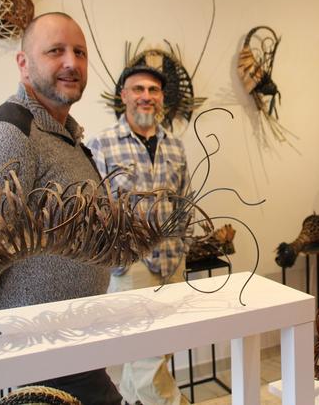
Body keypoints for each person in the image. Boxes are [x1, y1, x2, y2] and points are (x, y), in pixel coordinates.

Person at [0, 12, 122, 403]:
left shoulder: (66, 138)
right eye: (55, 51)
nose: (71, 62)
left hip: (74, 345)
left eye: (79, 52)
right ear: (23, 63)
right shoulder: (8, 135)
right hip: (37, 356)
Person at [88, 62, 191, 405]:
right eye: (138, 89)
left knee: (161, 349)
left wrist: (183, 248)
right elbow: (93, 210)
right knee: (147, 355)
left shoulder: (175, 146)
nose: (146, 97)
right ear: (123, 96)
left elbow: (185, 201)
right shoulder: (101, 145)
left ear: (161, 98)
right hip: (131, 266)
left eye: (153, 90)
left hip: (172, 261)